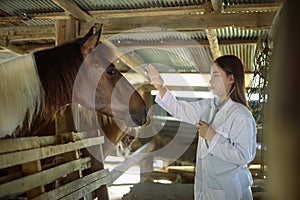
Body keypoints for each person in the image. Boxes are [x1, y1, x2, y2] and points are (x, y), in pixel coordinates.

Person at [147, 55, 257, 200]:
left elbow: (244, 156)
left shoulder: (241, 116)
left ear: (231, 78)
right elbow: (180, 110)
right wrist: (160, 87)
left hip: (230, 192)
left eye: (216, 75)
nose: (210, 80)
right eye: (211, 75)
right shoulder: (208, 106)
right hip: (206, 190)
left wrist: (212, 136)